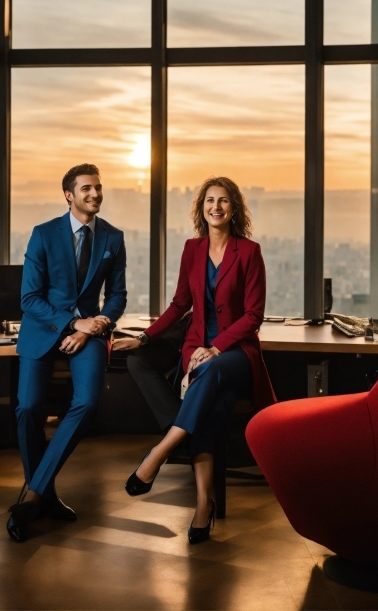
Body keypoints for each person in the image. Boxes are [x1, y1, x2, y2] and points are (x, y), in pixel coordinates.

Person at [113, 176, 276, 544]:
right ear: (201, 209)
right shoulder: (192, 249)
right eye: (209, 201)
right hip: (197, 352)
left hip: (236, 353)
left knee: (212, 368)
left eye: (223, 201)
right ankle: (204, 505)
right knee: (211, 405)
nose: (216, 207)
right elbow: (179, 305)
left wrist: (217, 347)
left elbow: (254, 316)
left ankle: (161, 450)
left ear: (234, 208)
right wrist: (143, 337)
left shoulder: (249, 252)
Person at [7, 163, 127, 542]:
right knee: (28, 407)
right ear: (69, 195)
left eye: (98, 187)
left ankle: (33, 493)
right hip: (44, 330)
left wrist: (99, 324)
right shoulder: (43, 235)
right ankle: (47, 493)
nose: (94, 194)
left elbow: (118, 296)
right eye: (86, 188)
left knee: (88, 403)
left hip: (91, 333)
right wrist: (72, 324)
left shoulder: (113, 237)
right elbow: (29, 298)